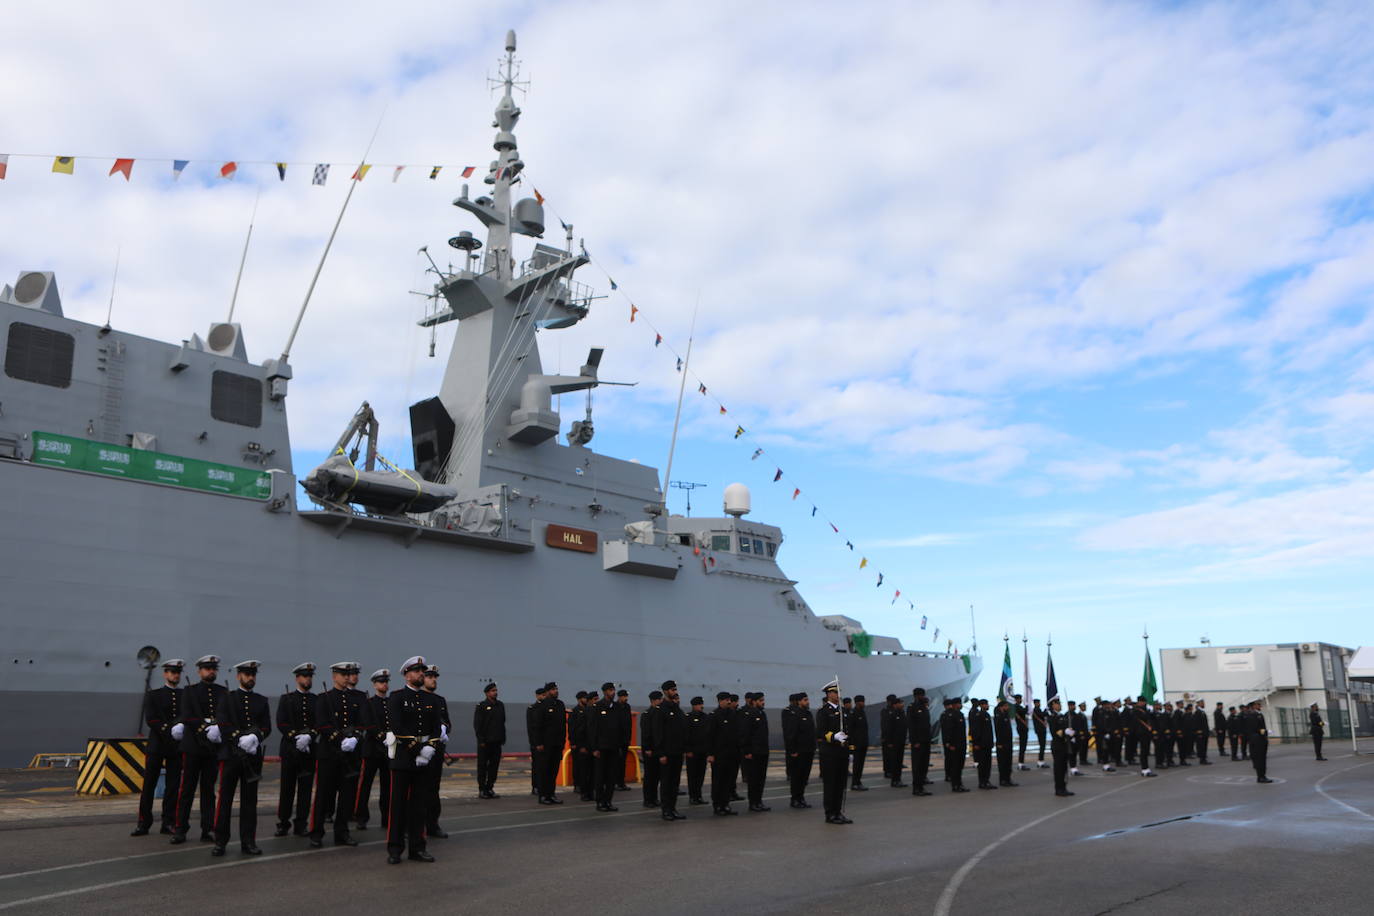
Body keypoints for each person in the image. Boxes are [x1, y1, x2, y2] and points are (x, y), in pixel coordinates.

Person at [384, 656, 444, 864]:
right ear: (407, 675)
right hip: (403, 758)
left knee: (420, 806)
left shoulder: (432, 700)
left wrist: (430, 748)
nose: (421, 674)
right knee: (398, 806)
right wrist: (419, 749)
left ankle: (418, 848)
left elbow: (436, 728)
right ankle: (395, 848)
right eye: (417, 671)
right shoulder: (397, 697)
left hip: (424, 760)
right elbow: (397, 726)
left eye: (422, 671)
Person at [210, 660, 271, 856]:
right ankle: (220, 841)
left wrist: (255, 736)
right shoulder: (227, 699)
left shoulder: (261, 700)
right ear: (238, 676)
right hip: (231, 755)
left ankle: (248, 841)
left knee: (249, 801)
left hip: (252, 757)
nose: (250, 677)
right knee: (225, 800)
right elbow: (222, 722)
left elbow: (266, 726)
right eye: (247, 674)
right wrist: (238, 737)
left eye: (253, 674)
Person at [309, 662, 371, 848]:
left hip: (351, 754)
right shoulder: (324, 698)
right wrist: (339, 739)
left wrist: (355, 737)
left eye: (348, 674)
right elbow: (321, 724)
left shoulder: (358, 698)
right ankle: (316, 832)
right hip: (329, 754)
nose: (346, 677)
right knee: (323, 794)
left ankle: (342, 832)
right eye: (343, 674)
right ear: (334, 676)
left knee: (347, 796)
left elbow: (363, 721)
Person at [171, 655, 228, 844]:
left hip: (212, 748)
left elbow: (224, 714)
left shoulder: (223, 691)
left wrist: (218, 727)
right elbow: (187, 715)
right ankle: (180, 828)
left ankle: (208, 828)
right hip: (193, 746)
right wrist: (205, 729)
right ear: (199, 671)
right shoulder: (190, 691)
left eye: (213, 668)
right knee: (187, 789)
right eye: (207, 668)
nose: (211, 671)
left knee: (208, 790)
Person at [132, 658, 184, 836]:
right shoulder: (154, 695)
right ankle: (143, 822)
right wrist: (169, 730)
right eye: (172, 672)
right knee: (149, 784)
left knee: (172, 786)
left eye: (178, 672)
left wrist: (181, 727)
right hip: (157, 744)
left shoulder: (184, 695)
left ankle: (168, 822)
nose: (175, 675)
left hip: (176, 746)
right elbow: (151, 719)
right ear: (165, 674)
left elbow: (186, 715)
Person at [355, 668, 391, 830]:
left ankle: (386, 817)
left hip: (388, 750)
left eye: (386, 682)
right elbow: (367, 724)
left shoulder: (390, 703)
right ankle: (361, 817)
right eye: (381, 682)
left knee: (387, 786)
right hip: (371, 750)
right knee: (365, 785)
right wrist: (382, 737)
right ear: (375, 685)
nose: (384, 684)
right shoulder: (368, 703)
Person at [652, 680, 688, 821]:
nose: (675, 692)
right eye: (672, 690)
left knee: (674, 783)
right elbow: (658, 733)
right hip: (666, 753)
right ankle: (666, 810)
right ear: (665, 691)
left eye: (675, 689)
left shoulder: (677, 709)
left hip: (677, 752)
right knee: (666, 783)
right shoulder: (661, 710)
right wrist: (661, 753)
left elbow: (682, 731)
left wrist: (684, 749)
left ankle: (673, 808)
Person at [816, 681, 850, 824]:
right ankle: (830, 813)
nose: (838, 694)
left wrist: (849, 748)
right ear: (829, 694)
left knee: (840, 784)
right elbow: (821, 732)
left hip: (842, 752)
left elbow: (848, 730)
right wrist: (834, 736)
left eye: (838, 692)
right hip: (830, 753)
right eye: (835, 692)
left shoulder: (843, 711)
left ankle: (838, 812)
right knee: (831, 784)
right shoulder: (823, 711)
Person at [588, 682, 625, 812]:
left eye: (613, 690)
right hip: (601, 748)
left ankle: (608, 801)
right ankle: (600, 802)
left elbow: (620, 728)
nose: (613, 692)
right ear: (604, 692)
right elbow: (592, 729)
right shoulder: (597, 707)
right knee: (600, 776)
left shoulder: (617, 707)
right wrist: (594, 748)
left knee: (611, 777)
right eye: (610, 690)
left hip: (613, 747)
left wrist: (620, 745)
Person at [706, 691, 741, 815]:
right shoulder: (714, 715)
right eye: (726, 700)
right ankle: (717, 805)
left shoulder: (733, 714)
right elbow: (709, 736)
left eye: (729, 700)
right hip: (719, 754)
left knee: (728, 781)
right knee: (718, 781)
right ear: (720, 701)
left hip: (731, 754)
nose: (729, 702)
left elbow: (737, 734)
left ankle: (725, 804)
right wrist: (710, 754)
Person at [470, 682, 506, 799]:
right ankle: (482, 789)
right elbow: (478, 725)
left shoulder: (500, 705)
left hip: (497, 742)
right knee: (482, 767)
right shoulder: (481, 706)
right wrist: (481, 740)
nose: (495, 692)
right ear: (487, 693)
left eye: (496, 690)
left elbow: (502, 723)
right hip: (485, 743)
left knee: (494, 767)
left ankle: (490, 788)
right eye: (492, 691)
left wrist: (502, 738)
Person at [533, 682, 565, 806]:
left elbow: (562, 726)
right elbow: (537, 726)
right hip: (546, 745)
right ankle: (543, 795)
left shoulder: (560, 705)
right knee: (544, 771)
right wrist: (539, 743)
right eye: (553, 689)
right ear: (547, 692)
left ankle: (551, 794)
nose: (556, 691)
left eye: (556, 689)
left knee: (553, 771)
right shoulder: (542, 706)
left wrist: (562, 742)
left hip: (557, 744)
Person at [783, 692, 816, 808]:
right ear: (799, 702)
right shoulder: (794, 714)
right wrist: (792, 750)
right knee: (797, 776)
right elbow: (791, 734)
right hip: (799, 751)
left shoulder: (808, 713)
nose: (808, 702)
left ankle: (801, 797)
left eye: (807, 699)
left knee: (804, 776)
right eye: (805, 700)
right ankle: (795, 799)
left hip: (809, 750)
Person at [740, 691, 770, 812]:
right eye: (760, 700)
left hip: (763, 752)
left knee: (761, 779)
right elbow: (745, 734)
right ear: (754, 702)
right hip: (753, 752)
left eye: (763, 700)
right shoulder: (749, 714)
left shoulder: (762, 713)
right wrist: (747, 751)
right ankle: (753, 803)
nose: (763, 702)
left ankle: (759, 801)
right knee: (753, 779)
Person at [940, 696, 968, 792]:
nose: (961, 705)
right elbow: (949, 730)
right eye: (959, 703)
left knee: (960, 765)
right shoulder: (950, 715)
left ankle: (959, 784)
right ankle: (955, 785)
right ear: (955, 704)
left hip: (961, 744)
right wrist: (949, 743)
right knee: (955, 766)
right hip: (955, 745)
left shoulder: (959, 714)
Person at [908, 688, 933, 796]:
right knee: (917, 765)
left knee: (924, 764)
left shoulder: (924, 708)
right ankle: (917, 788)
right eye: (921, 695)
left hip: (926, 741)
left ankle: (921, 786)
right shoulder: (912, 708)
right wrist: (915, 741)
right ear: (916, 696)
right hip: (918, 742)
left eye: (923, 695)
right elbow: (911, 726)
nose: (923, 697)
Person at [685, 695, 709, 805]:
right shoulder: (688, 717)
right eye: (699, 704)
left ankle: (699, 796)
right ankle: (692, 797)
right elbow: (686, 735)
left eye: (702, 704)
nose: (701, 706)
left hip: (702, 751)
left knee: (700, 775)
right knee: (692, 775)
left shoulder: (705, 717)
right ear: (694, 706)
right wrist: (688, 750)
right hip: (692, 752)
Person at [641, 691, 664, 808]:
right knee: (649, 776)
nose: (661, 701)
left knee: (656, 776)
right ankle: (648, 799)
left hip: (657, 749)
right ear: (653, 701)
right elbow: (646, 733)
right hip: (650, 749)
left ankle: (654, 798)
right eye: (659, 699)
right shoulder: (647, 714)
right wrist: (648, 748)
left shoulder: (660, 713)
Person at [1047, 697, 1073, 797]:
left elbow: (1065, 728)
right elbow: (1054, 732)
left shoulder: (1062, 716)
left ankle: (1064, 787)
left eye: (1059, 703)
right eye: (1057, 704)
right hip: (1058, 746)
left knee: (1064, 768)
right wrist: (1065, 731)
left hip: (1064, 745)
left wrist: (1070, 733)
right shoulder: (1052, 717)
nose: (1060, 705)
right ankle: (1059, 789)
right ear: (1053, 705)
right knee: (1059, 769)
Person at [880, 694, 908, 787]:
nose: (902, 704)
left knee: (898, 761)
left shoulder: (902, 713)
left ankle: (897, 779)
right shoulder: (888, 712)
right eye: (900, 703)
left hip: (900, 741)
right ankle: (892, 777)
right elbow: (887, 727)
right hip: (892, 741)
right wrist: (888, 740)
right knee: (891, 759)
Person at [568, 690, 590, 800]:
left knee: (585, 767)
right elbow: (571, 728)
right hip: (577, 743)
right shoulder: (575, 711)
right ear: (579, 699)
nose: (586, 699)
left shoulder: (588, 710)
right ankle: (577, 785)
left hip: (586, 743)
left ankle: (584, 784)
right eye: (584, 698)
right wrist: (573, 742)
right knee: (577, 765)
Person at [969, 698, 995, 789]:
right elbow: (976, 730)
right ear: (981, 705)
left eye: (987, 704)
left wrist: (991, 742)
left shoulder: (987, 714)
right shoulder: (978, 715)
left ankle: (986, 781)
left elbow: (989, 731)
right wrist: (976, 743)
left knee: (988, 764)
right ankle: (982, 782)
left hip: (987, 744)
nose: (987, 706)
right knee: (982, 764)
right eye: (985, 704)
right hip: (981, 744)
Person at [1245, 700, 1272, 783]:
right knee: (1261, 759)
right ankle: (1261, 777)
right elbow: (1258, 728)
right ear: (1253, 706)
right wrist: (1266, 732)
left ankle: (1261, 776)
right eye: (1258, 704)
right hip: (1258, 739)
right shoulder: (1255, 715)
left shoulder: (1249, 714)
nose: (1260, 706)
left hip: (1255, 739)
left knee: (1259, 758)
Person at [526, 684, 546, 796]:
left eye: (545, 695)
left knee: (546, 767)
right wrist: (534, 743)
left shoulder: (548, 707)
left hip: (547, 743)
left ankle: (544, 786)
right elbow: (531, 728)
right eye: (542, 695)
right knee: (537, 766)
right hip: (536, 743)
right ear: (537, 696)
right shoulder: (532, 709)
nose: (544, 697)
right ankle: (536, 786)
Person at [994, 698, 1018, 787]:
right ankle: (1003, 780)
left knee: (1008, 762)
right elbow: (998, 731)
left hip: (1008, 742)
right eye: (1006, 706)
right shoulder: (998, 716)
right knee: (1003, 762)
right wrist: (999, 743)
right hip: (1002, 743)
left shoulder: (1005, 715)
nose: (1008, 707)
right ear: (1002, 707)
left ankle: (1008, 779)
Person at [1132, 697, 1157, 777]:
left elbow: (1152, 718)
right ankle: (1144, 769)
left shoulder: (1145, 710)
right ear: (1139, 702)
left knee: (1146, 751)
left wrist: (1152, 710)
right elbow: (1143, 718)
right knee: (1144, 751)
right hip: (1141, 732)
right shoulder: (1136, 710)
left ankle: (1146, 768)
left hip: (1147, 732)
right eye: (1142, 702)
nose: (1143, 703)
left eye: (1144, 702)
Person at [849, 695, 870, 790]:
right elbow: (851, 730)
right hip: (856, 744)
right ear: (857, 702)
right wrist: (852, 745)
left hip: (863, 743)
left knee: (860, 764)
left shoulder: (862, 712)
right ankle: (855, 783)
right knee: (857, 764)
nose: (863, 703)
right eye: (862, 701)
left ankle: (858, 781)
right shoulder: (853, 713)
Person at [615, 689, 633, 791]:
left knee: (622, 762)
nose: (626, 698)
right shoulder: (615, 706)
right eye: (624, 696)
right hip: (616, 740)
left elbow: (629, 723)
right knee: (616, 762)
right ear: (619, 697)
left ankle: (621, 782)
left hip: (625, 740)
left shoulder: (627, 707)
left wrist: (629, 738)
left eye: (626, 696)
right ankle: (615, 782)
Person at [1069, 701, 1089, 776]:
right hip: (1072, 736)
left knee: (1076, 751)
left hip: (1077, 735)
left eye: (1074, 705)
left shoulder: (1076, 715)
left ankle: (1075, 767)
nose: (1073, 707)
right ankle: (1075, 767)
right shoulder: (1068, 715)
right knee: (1073, 753)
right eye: (1072, 705)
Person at [1190, 700, 1211, 765]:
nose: (1203, 704)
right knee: (1201, 746)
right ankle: (1202, 759)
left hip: (1204, 732)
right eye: (1202, 703)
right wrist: (1198, 732)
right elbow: (1196, 723)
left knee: (1204, 746)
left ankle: (1204, 758)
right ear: (1199, 704)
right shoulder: (1197, 712)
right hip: (1200, 733)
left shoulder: (1202, 712)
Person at [1012, 694, 1030, 770]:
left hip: (1022, 727)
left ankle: (1021, 763)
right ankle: (1020, 764)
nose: (1021, 700)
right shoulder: (1017, 706)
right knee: (1022, 746)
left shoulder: (1018, 706)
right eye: (1020, 699)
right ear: (1017, 699)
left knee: (1023, 746)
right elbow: (1024, 711)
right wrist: (1027, 706)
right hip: (1021, 728)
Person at [1031, 699, 1049, 768]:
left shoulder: (1037, 710)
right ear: (1035, 703)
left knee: (1042, 745)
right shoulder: (1036, 710)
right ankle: (1040, 761)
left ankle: (1041, 760)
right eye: (1038, 703)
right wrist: (1046, 710)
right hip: (1040, 730)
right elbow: (1042, 715)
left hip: (1040, 730)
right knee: (1042, 745)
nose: (1039, 704)